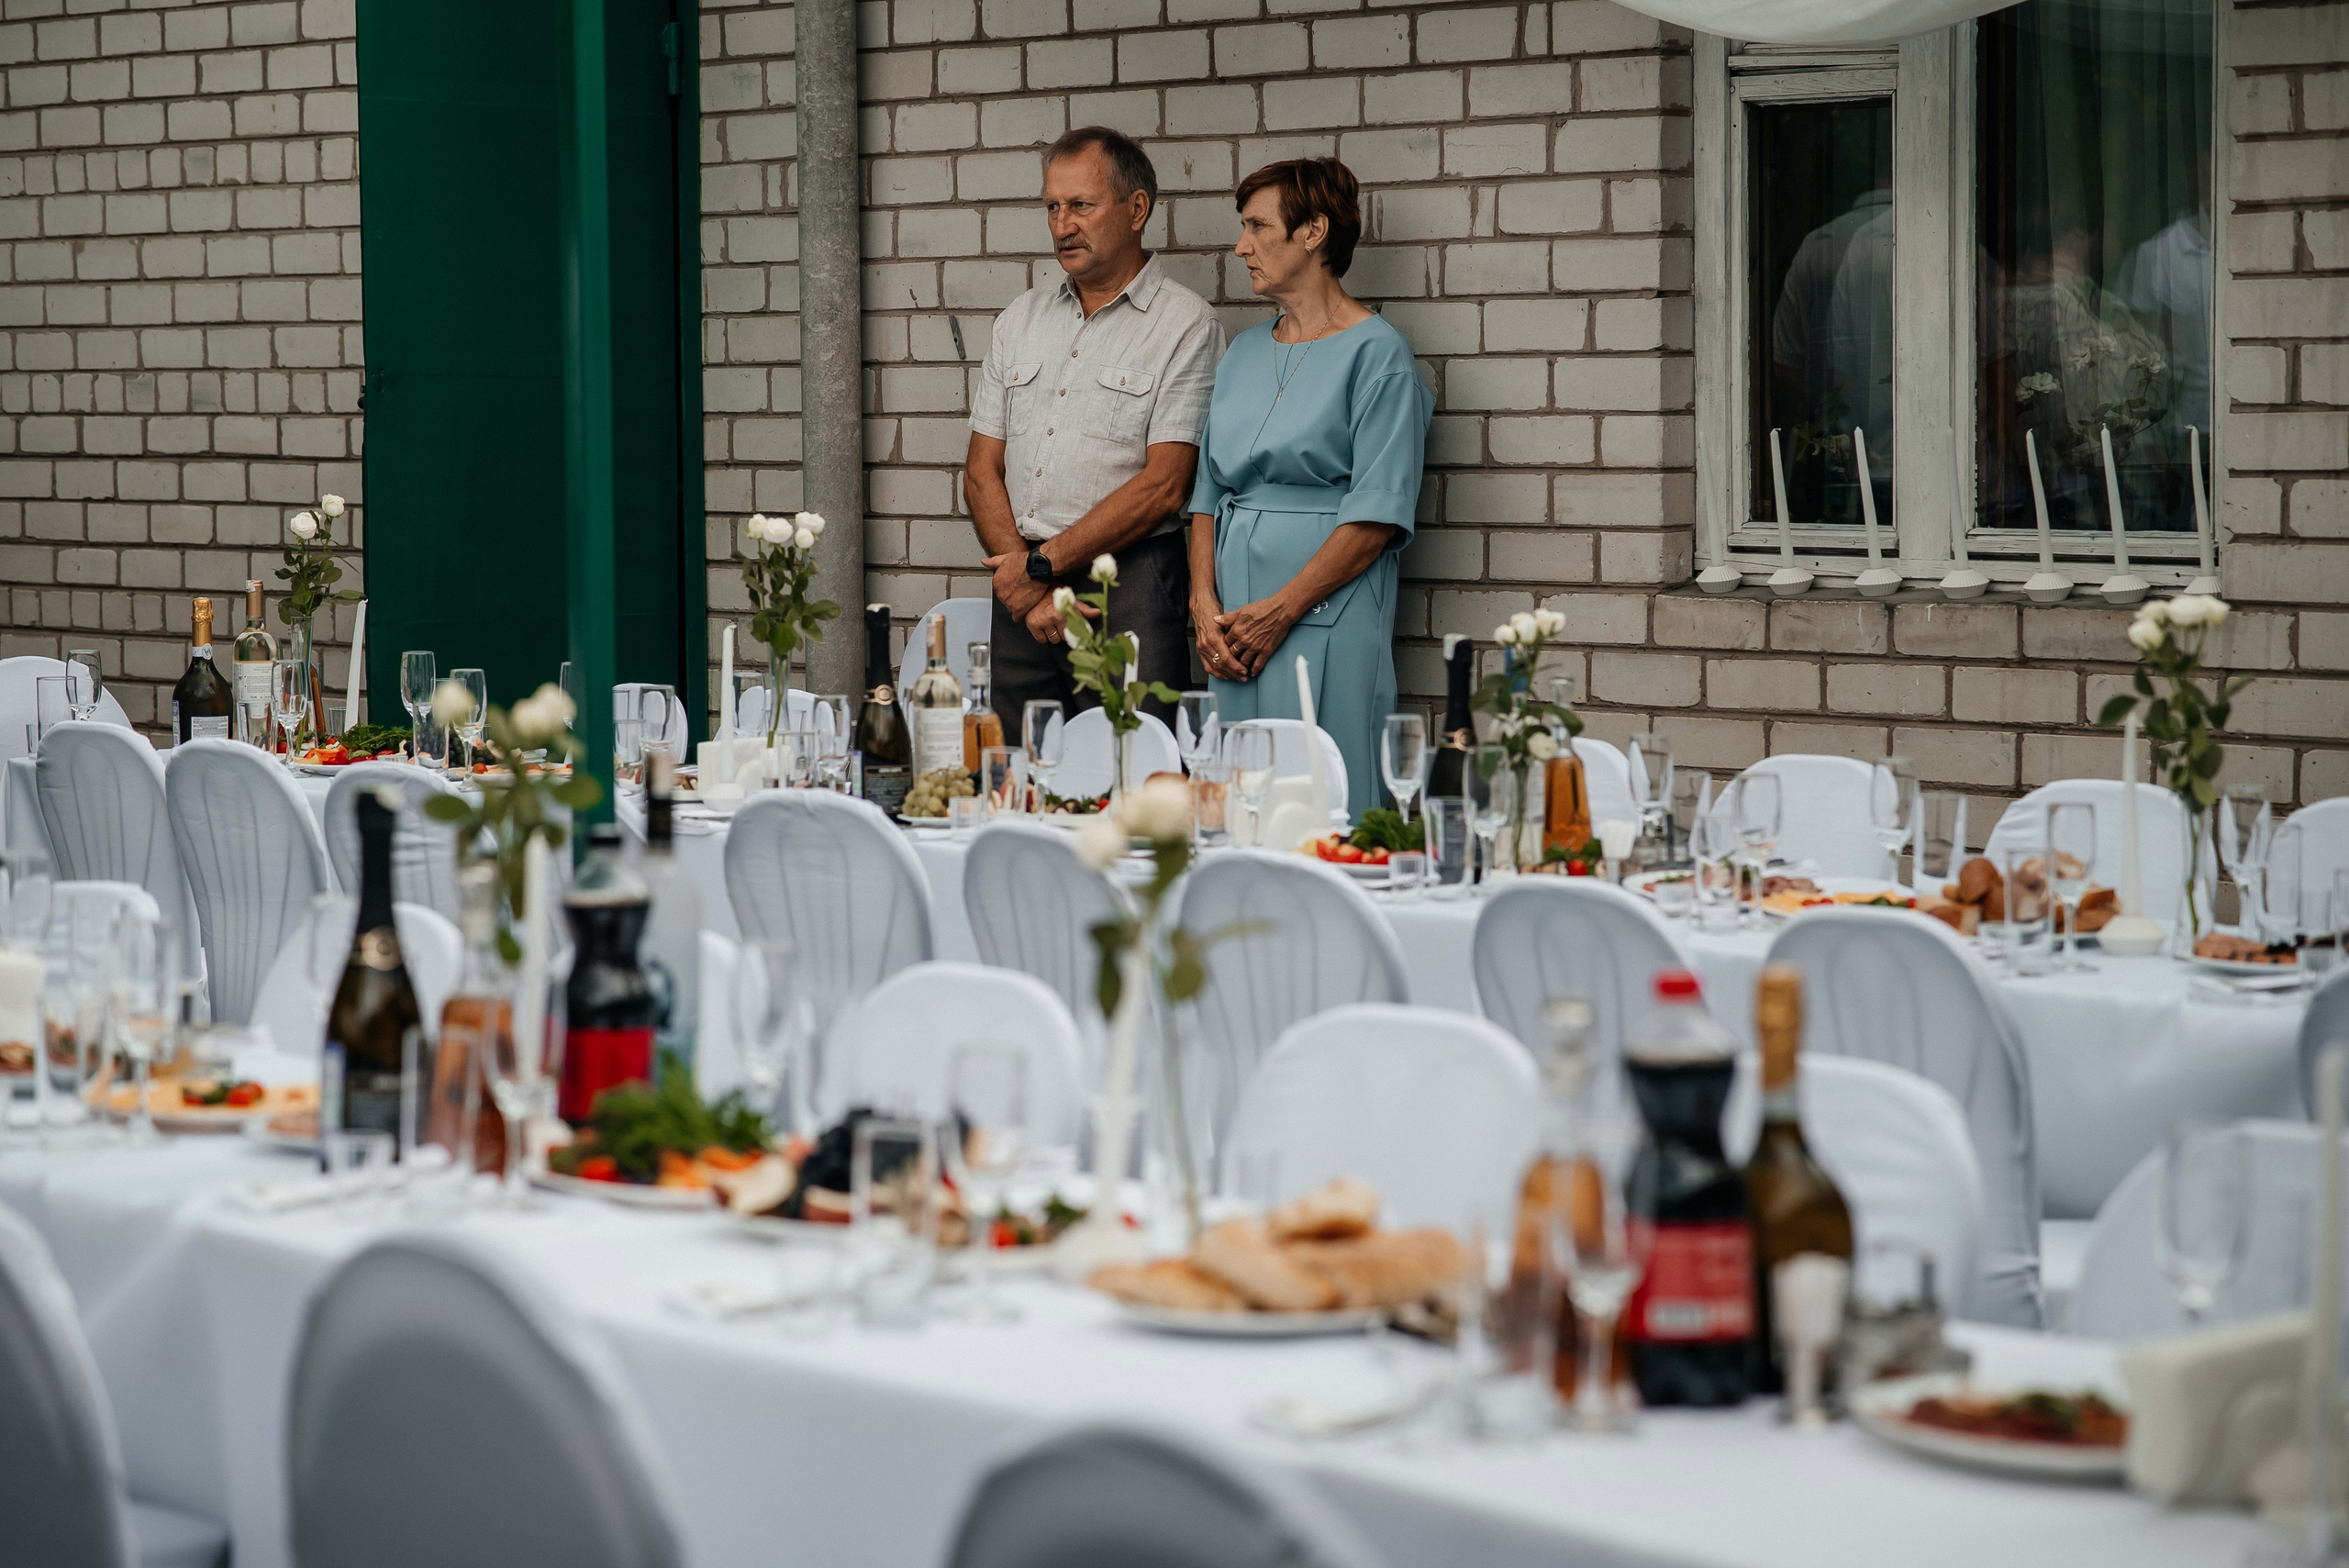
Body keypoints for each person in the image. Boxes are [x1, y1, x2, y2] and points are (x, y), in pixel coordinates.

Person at [1187, 157, 1431, 818]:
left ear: (1314, 232)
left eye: (1257, 226)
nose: (1241, 245)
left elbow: (1377, 515)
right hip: (1235, 625)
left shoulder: (1379, 355)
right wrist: (1203, 603)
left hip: (1326, 610)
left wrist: (1284, 608)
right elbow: (1206, 492)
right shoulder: (1240, 352)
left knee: (1329, 795)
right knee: (1240, 802)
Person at [964, 126, 1223, 733]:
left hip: (1126, 587)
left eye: (1081, 205)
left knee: (1131, 774)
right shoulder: (1019, 320)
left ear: (1137, 210)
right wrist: (1028, 582)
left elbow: (1166, 486)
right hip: (1021, 588)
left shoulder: (1185, 325)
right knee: (1017, 774)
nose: (1062, 224)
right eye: (1052, 207)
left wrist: (1039, 571)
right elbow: (980, 469)